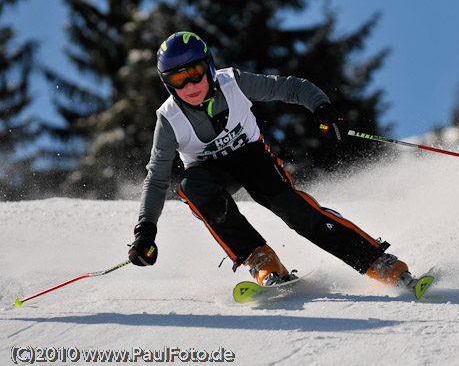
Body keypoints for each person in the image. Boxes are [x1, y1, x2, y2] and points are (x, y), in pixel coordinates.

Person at [128, 31, 418, 289]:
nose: (190, 84)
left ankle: (377, 261)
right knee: (191, 185)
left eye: (195, 72)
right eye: (178, 79)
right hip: (211, 174)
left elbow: (291, 87)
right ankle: (260, 259)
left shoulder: (234, 83)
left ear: (209, 67)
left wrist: (323, 110)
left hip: (252, 159)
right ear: (168, 84)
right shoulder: (168, 119)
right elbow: (156, 179)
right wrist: (145, 232)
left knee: (295, 211)